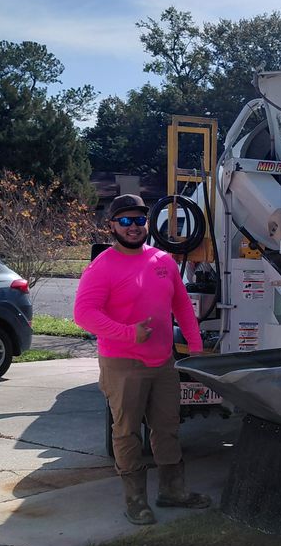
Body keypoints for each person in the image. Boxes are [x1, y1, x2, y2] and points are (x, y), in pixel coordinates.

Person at [74, 194, 210, 524]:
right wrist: (127, 333)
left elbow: (181, 305)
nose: (133, 227)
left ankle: (172, 491)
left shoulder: (163, 260)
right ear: (111, 226)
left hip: (163, 362)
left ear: (147, 224)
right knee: (127, 432)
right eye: (125, 221)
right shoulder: (102, 266)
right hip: (123, 363)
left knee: (167, 428)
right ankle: (135, 500)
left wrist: (195, 345)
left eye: (138, 220)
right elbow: (83, 314)